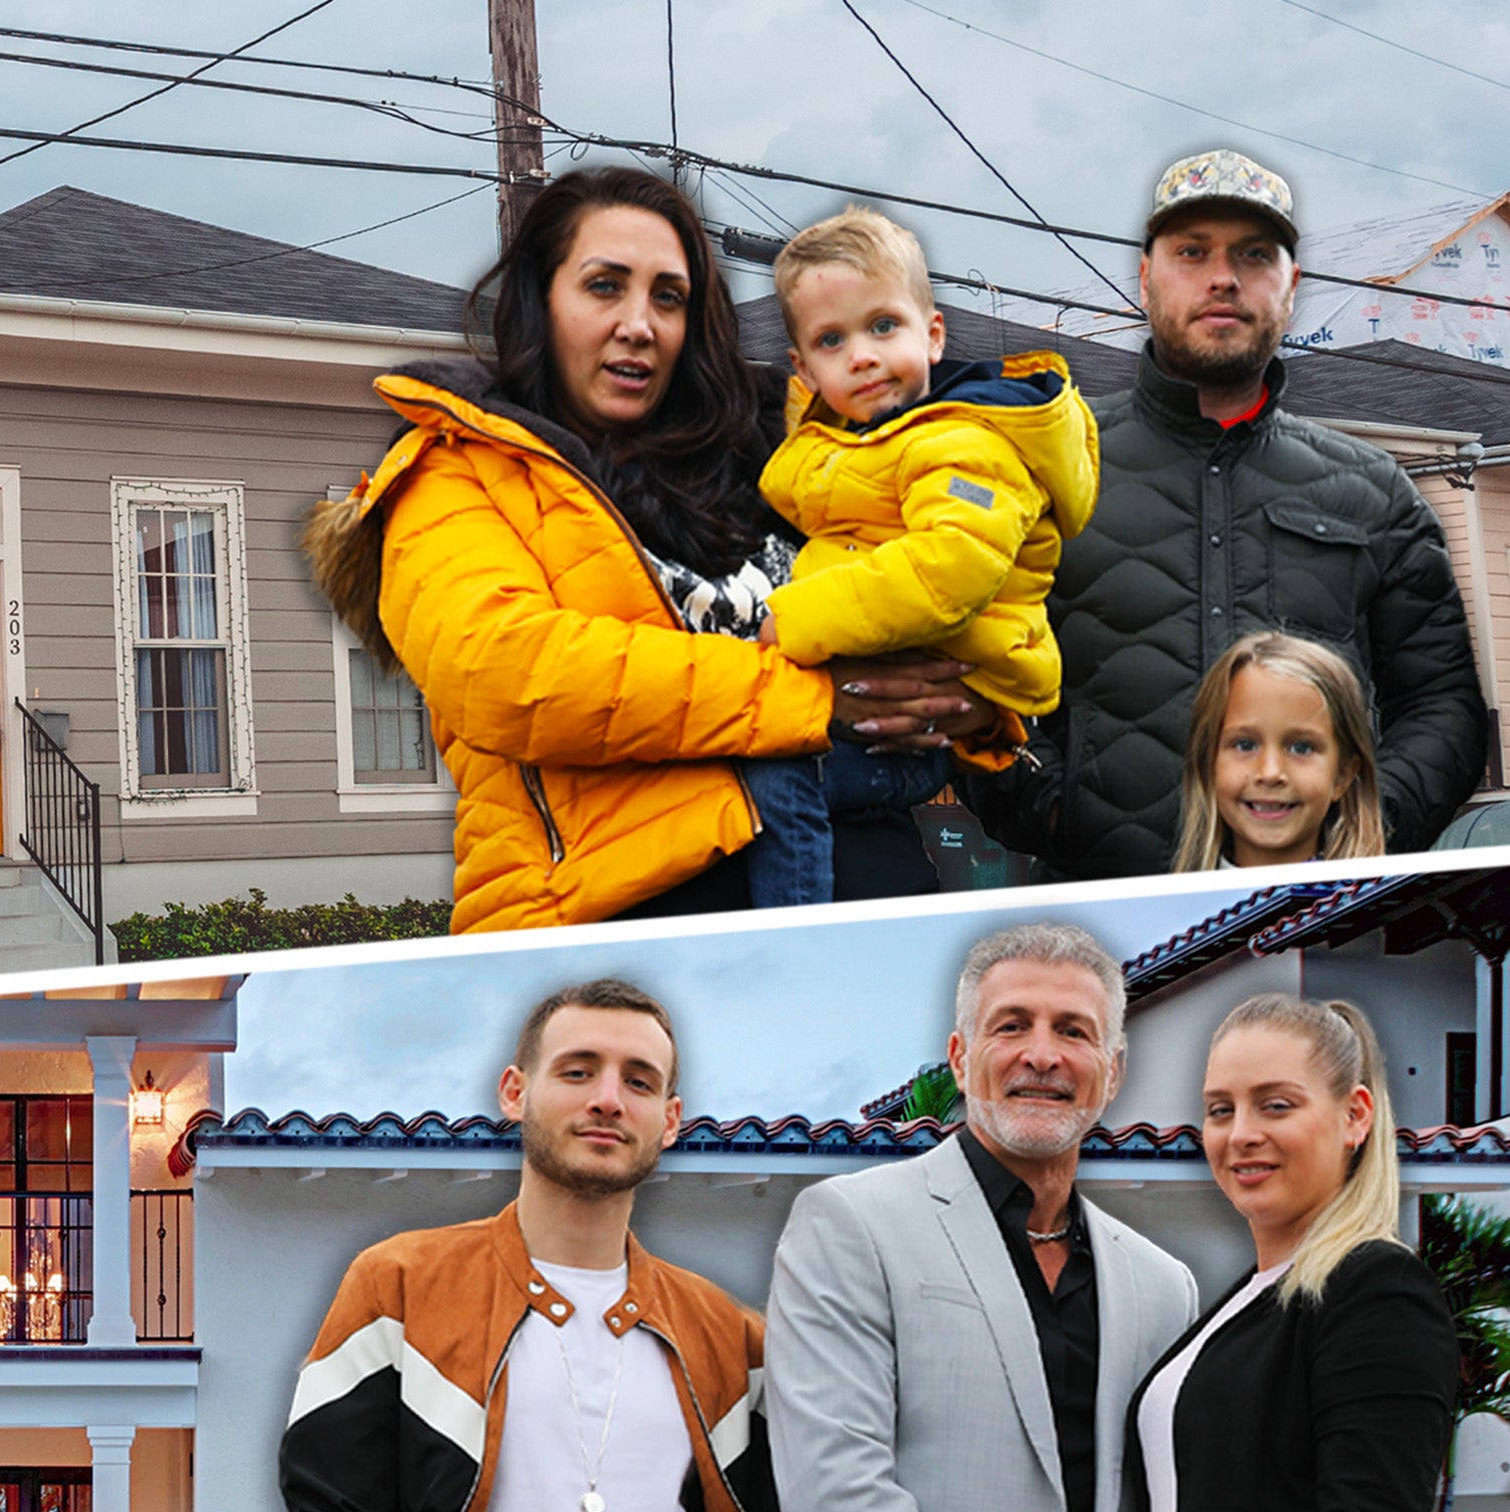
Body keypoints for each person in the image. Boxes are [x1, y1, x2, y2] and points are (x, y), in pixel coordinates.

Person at [306, 167, 987, 929]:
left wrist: (970, 701)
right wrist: (817, 701)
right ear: (541, 301)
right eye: (605, 287)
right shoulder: (454, 469)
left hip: (876, 889)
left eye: (669, 296)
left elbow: (939, 590)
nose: (640, 322)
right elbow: (510, 671)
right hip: (610, 925)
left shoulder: (788, 454)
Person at [962, 149, 1485, 879]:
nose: (1222, 277)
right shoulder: (1041, 472)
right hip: (1109, 926)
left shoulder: (1375, 492)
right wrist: (1056, 809)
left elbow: (1443, 706)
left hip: (1319, 921)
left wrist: (1362, 834)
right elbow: (975, 670)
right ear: (1145, 278)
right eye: (1191, 251)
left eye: (1254, 254)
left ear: (1290, 286)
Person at [281, 979, 779, 1512]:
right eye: (577, 1071)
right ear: (515, 1092)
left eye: (639, 1082)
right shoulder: (396, 1286)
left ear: (669, 1121)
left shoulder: (732, 1338)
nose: (608, 1099)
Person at [766, 923, 1198, 1512]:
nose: (1042, 1056)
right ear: (961, 1059)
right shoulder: (850, 1225)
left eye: (1073, 1031)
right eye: (1011, 1025)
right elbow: (833, 1494)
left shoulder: (1165, 1286)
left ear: (1114, 1072)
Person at [739, 207, 1099, 906]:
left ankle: (795, 930)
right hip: (885, 701)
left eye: (883, 326)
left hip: (924, 720)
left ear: (932, 334)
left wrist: (796, 620)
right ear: (803, 369)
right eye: (831, 341)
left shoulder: (961, 441)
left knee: (777, 779)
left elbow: (947, 569)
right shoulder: (865, 443)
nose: (863, 355)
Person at [1125, 995, 1456, 1512]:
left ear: (1355, 1116)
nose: (1241, 1134)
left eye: (1275, 1104)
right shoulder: (1249, 1298)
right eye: (1220, 1109)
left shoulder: (1380, 1291)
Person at [1172, 631, 1386, 872]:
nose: (1270, 773)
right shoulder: (1167, 908)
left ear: (1343, 775)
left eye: (1301, 748)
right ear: (1207, 763)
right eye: (1245, 745)